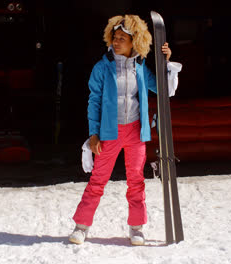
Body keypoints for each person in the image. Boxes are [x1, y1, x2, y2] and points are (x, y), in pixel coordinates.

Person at [70, 14, 182, 246]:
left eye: (122, 38)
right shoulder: (101, 68)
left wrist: (166, 63)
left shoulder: (140, 67)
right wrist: (93, 133)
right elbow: (94, 101)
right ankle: (81, 226)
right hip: (109, 133)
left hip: (135, 132)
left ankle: (136, 228)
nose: (117, 42)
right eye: (115, 37)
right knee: (97, 181)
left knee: (136, 181)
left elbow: (162, 88)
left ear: (135, 42)